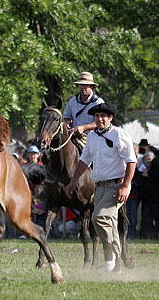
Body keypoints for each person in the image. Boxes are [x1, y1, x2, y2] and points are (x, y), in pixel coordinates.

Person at [65, 103, 136, 272]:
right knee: (104, 224)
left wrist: (125, 186)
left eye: (104, 116)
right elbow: (85, 160)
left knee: (99, 218)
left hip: (117, 185)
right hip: (100, 187)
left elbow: (131, 161)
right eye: (97, 116)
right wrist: (73, 181)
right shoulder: (92, 136)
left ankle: (117, 257)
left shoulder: (119, 134)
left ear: (110, 118)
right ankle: (112, 263)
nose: (100, 119)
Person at [62, 71, 104, 150]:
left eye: (86, 85)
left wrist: (84, 128)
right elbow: (67, 117)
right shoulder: (72, 101)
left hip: (93, 138)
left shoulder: (98, 102)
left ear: (91, 86)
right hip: (73, 136)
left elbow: (101, 122)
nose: (83, 87)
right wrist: (66, 124)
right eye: (81, 85)